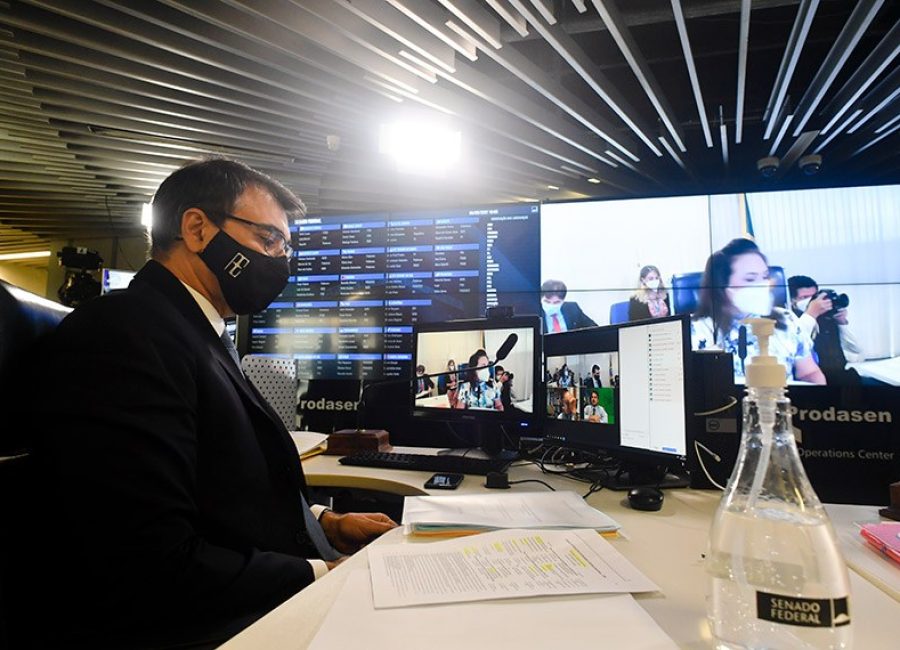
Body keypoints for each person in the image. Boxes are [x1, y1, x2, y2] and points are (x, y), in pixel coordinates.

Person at [15, 158, 397, 649]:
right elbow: (150, 558)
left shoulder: (196, 333)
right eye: (269, 240)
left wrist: (326, 522)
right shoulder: (124, 335)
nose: (283, 259)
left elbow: (218, 486)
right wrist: (325, 573)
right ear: (197, 229)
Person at [691, 238, 826, 384]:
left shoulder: (786, 319)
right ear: (722, 285)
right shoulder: (695, 329)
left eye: (765, 277)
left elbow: (809, 372)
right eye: (750, 279)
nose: (762, 285)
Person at [788, 275, 864, 385]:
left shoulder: (827, 317)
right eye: (805, 297)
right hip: (811, 383)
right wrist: (811, 315)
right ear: (792, 301)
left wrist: (841, 322)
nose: (812, 302)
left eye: (813, 297)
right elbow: (793, 345)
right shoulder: (790, 321)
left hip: (839, 378)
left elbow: (856, 349)